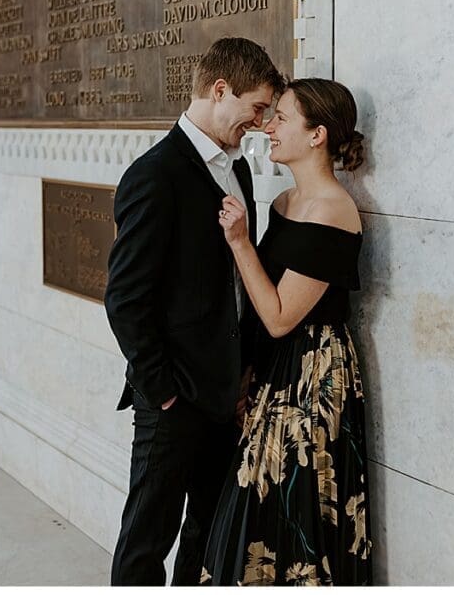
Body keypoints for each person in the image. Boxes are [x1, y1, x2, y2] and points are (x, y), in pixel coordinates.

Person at [105, 37, 285, 585]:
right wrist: (160, 390)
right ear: (219, 90)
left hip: (224, 394)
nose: (258, 122)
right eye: (256, 108)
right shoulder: (154, 175)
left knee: (207, 537)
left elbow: (232, 278)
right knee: (147, 540)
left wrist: (242, 373)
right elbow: (126, 298)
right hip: (172, 398)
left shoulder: (242, 171)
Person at [201, 78, 372, 586]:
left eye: (282, 117)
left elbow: (279, 314)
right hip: (276, 369)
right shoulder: (284, 203)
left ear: (317, 134)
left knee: (293, 513)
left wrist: (239, 243)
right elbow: (263, 315)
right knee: (254, 513)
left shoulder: (333, 209)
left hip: (315, 377)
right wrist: (246, 375)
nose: (267, 127)